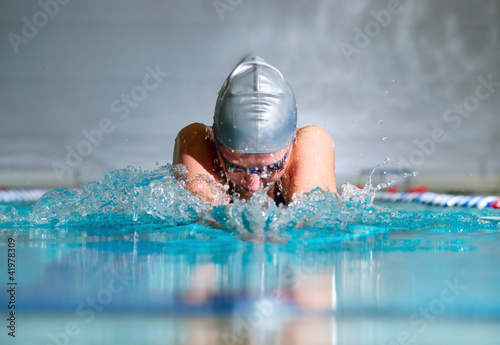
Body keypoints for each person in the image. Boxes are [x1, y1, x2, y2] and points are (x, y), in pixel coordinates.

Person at [173, 55, 336, 206]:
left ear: (291, 143)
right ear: (215, 141)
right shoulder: (197, 142)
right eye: (235, 167)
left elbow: (312, 230)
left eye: (271, 168)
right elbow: (202, 229)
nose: (253, 184)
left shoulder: (311, 145)